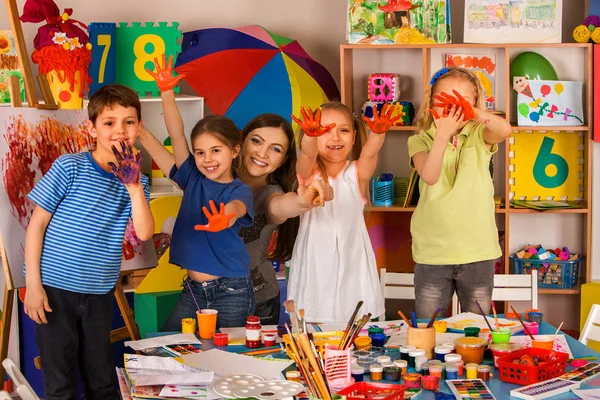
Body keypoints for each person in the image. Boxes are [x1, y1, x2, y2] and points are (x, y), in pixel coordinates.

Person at [24, 84, 154, 400]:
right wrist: (34, 285)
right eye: (109, 122)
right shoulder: (71, 167)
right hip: (55, 291)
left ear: (139, 127)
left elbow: (145, 232)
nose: (120, 131)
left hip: (99, 293)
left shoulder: (139, 181)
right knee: (60, 383)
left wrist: (134, 187)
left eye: (129, 122)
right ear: (92, 127)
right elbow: (36, 225)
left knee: (101, 381)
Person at [145, 55, 255, 330]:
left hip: (232, 290)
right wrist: (166, 92)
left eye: (216, 150)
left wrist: (226, 217)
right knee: (169, 347)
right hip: (195, 290)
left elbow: (237, 208)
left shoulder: (238, 190)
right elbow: (176, 135)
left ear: (235, 150)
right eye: (200, 152)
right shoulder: (193, 179)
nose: (207, 159)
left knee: (227, 360)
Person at [408, 66, 512, 318]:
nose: (454, 107)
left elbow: (505, 130)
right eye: (446, 99)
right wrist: (442, 135)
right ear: (432, 102)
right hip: (432, 253)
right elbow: (430, 176)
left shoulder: (480, 134)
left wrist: (474, 113)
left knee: (476, 334)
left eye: (462, 101)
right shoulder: (420, 140)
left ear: (475, 103)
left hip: (478, 252)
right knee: (427, 331)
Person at [288, 102, 399, 323]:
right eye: (325, 130)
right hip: (316, 261)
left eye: (343, 130)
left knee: (355, 321)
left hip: (352, 257)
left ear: (354, 136)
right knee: (314, 322)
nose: (335, 137)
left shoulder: (356, 173)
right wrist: (310, 137)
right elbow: (307, 157)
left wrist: (377, 134)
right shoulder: (309, 173)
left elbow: (370, 153)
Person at [238, 114, 333, 325]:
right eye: (256, 141)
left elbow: (283, 205)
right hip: (205, 295)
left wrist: (304, 200)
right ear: (241, 142)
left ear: (282, 161)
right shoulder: (215, 179)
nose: (262, 153)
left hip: (258, 301)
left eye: (275, 149)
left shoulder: (271, 194)